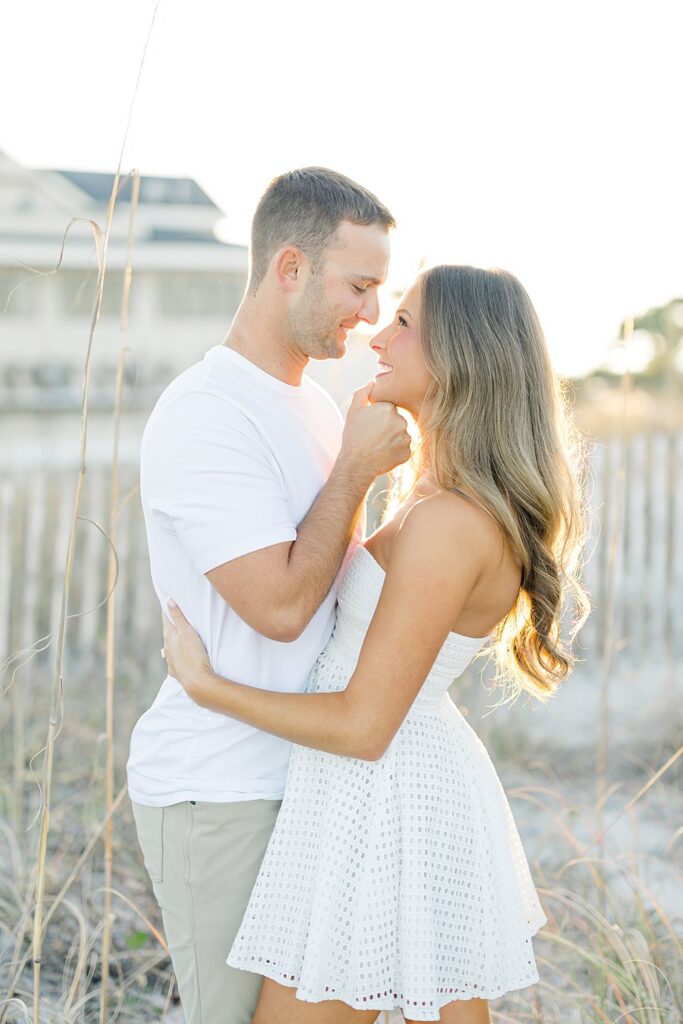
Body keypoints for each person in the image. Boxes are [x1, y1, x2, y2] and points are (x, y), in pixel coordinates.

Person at [161, 264, 590, 1024]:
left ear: (463, 355)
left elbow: (364, 726)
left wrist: (210, 687)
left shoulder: (451, 524)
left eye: (403, 323)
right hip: (382, 787)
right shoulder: (432, 498)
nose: (376, 335)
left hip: (392, 793)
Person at [126, 167, 413, 1024]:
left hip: (307, 776)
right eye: (358, 286)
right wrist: (359, 470)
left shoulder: (317, 410)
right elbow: (282, 610)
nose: (368, 314)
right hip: (220, 791)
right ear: (289, 266)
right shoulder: (205, 415)